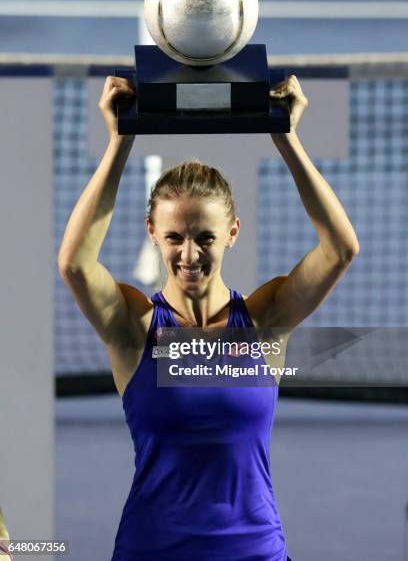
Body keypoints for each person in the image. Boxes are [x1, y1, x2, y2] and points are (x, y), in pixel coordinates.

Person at [58, 75, 359, 561]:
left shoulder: (264, 323)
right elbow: (74, 264)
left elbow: (342, 249)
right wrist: (120, 141)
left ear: (233, 232)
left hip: (254, 551)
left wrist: (285, 137)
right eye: (175, 236)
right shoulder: (135, 330)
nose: (189, 254)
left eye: (206, 237)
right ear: (152, 232)